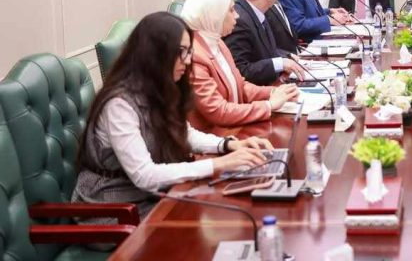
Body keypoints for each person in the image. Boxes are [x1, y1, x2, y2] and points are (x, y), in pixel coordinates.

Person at [72, 12, 272, 221]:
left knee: (224, 208)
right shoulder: (119, 104)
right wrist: (219, 164)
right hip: (112, 209)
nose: (188, 60)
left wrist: (228, 145)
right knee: (214, 215)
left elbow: (184, 133)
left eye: (189, 51)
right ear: (156, 54)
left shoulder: (157, 86)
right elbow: (144, 175)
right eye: (181, 52)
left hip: (148, 197)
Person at [182, 0, 299, 129]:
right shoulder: (194, 55)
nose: (237, 16)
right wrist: (268, 105)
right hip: (215, 136)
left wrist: (274, 92)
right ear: (215, 16)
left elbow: (239, 85)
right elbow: (218, 111)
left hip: (235, 128)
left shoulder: (218, 42)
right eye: (231, 10)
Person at [226, 0, 307, 85]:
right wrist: (279, 64)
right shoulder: (240, 21)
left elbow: (266, 50)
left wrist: (286, 57)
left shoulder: (258, 12)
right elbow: (241, 70)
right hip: (261, 92)